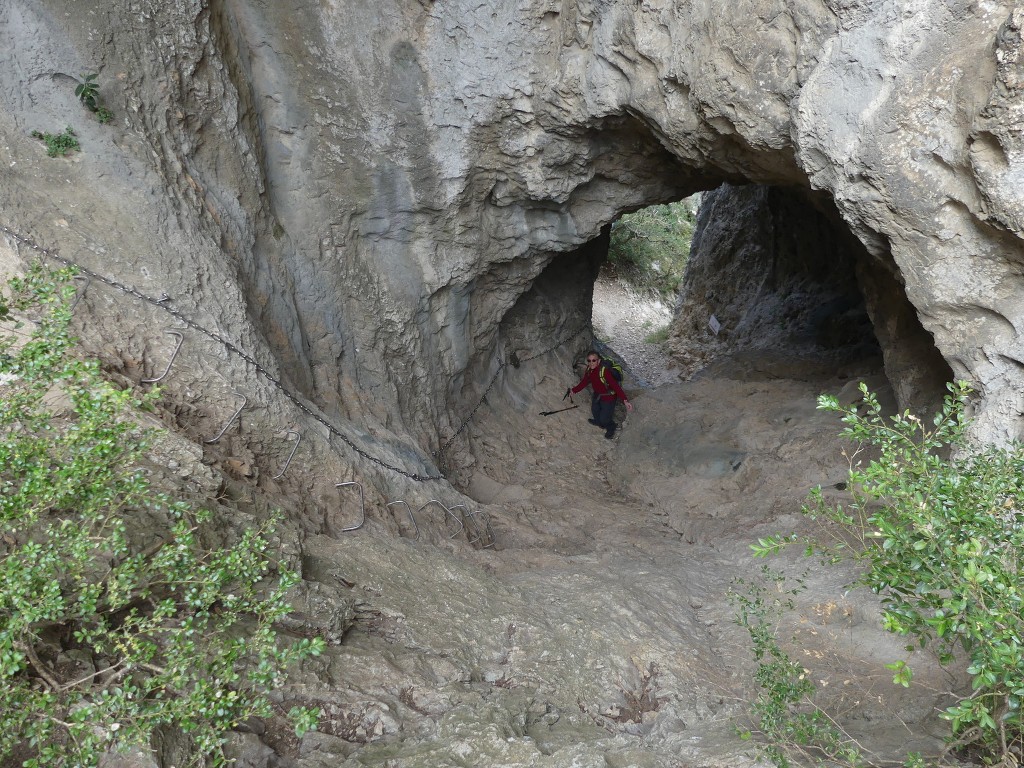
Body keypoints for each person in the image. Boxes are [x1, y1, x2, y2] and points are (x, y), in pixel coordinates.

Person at [570, 351, 633, 439]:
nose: (591, 363)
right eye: (589, 360)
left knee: (605, 419)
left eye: (594, 360)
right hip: (598, 394)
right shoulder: (589, 370)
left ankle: (611, 427)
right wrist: (574, 390)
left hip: (609, 396)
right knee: (595, 410)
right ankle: (598, 422)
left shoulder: (604, 371)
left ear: (598, 361)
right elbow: (585, 382)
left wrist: (625, 401)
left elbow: (616, 387)